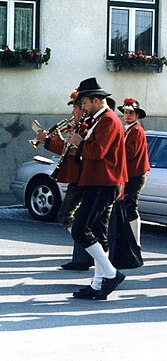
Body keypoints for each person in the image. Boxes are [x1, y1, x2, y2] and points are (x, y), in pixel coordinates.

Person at [66, 77, 128, 300]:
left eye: (83, 101)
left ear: (95, 100)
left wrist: (78, 142)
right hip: (98, 181)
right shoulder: (98, 120)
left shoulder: (109, 120)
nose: (81, 105)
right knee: (99, 234)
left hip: (104, 181)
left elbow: (97, 151)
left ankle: (110, 274)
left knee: (80, 229)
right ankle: (98, 283)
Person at [34, 90, 93, 270]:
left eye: (75, 108)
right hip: (77, 175)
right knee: (77, 218)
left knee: (66, 215)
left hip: (81, 176)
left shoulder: (85, 125)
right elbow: (66, 147)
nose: (73, 112)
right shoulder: (77, 124)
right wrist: (50, 140)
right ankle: (83, 256)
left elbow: (72, 150)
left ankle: (87, 250)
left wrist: (49, 141)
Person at [117, 97, 150, 249]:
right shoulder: (129, 129)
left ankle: (135, 242)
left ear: (137, 115)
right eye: (125, 112)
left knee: (131, 206)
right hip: (130, 174)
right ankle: (131, 240)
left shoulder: (136, 130)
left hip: (135, 174)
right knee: (128, 206)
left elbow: (130, 153)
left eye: (131, 112)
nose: (127, 115)